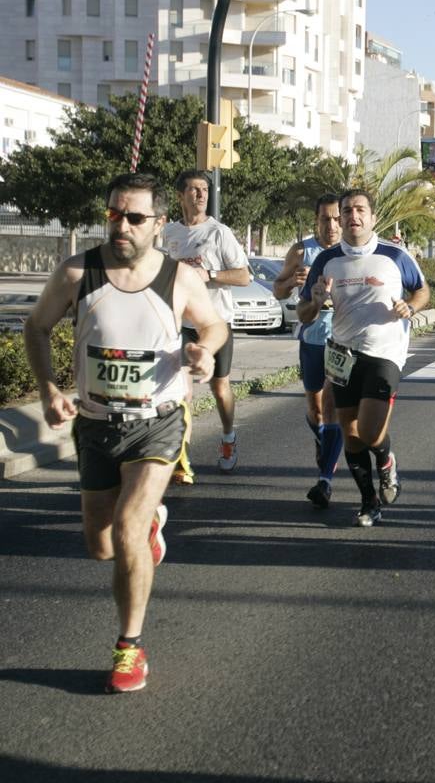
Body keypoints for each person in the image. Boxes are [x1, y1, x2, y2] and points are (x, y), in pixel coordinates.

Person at [23, 173, 226, 693]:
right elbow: (36, 327)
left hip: (156, 423)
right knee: (101, 546)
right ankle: (150, 528)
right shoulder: (77, 272)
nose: (122, 226)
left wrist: (203, 348)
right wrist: (49, 390)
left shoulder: (180, 278)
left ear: (159, 224)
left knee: (128, 530)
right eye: (114, 214)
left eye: (135, 217)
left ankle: (129, 648)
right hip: (94, 424)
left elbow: (213, 325)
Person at [297, 189, 431, 527]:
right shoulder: (327, 260)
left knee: (371, 432)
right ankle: (369, 501)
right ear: (340, 218)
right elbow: (304, 313)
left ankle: (386, 461)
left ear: (372, 217)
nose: (352, 216)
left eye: (360, 210)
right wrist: (315, 301)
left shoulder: (394, 255)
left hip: (385, 354)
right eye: (346, 211)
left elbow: (422, 290)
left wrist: (410, 307)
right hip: (343, 355)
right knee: (351, 434)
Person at [160, 169, 251, 478]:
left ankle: (228, 437)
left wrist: (208, 275)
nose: (200, 195)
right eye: (193, 190)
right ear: (180, 195)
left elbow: (244, 275)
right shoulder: (169, 233)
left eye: (204, 190)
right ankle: (178, 453)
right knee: (179, 391)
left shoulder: (218, 233)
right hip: (179, 324)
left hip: (215, 323)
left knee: (219, 386)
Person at [273, 194, 344, 507]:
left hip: (341, 340)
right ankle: (323, 439)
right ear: (316, 221)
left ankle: (325, 475)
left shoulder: (351, 251)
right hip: (311, 338)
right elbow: (277, 288)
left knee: (332, 405)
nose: (331, 225)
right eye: (325, 219)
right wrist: (292, 280)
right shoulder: (302, 250)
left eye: (336, 218)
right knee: (314, 408)